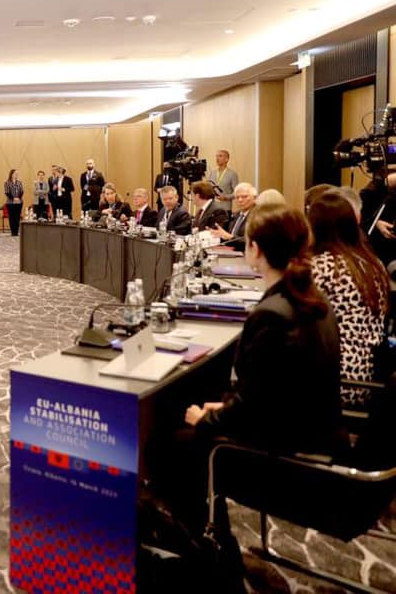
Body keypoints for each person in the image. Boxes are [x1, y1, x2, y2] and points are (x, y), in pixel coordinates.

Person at [166, 204, 345, 563]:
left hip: (289, 455)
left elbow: (254, 409)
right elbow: (271, 391)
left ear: (256, 250)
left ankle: (209, 554)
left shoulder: (271, 314)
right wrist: (226, 407)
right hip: (313, 429)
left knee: (173, 443)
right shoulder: (312, 298)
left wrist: (208, 418)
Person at [308, 190, 390, 404]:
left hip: (334, 379)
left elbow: (297, 319)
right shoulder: (372, 263)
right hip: (365, 372)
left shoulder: (323, 267)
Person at [210, 182, 256, 250]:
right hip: (231, 252)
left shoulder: (258, 217)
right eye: (237, 197)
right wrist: (218, 235)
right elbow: (228, 237)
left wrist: (230, 237)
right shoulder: (236, 215)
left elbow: (251, 242)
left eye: (244, 197)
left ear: (254, 198)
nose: (240, 200)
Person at [3, 169, 24, 236]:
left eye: (17, 174)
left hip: (19, 202)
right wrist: (13, 198)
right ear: (11, 174)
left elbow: (22, 191)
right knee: (12, 217)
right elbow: (7, 192)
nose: (16, 175)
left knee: (17, 217)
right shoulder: (7, 182)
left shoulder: (20, 182)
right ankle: (13, 232)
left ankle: (16, 231)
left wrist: (18, 198)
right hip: (10, 202)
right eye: (15, 173)